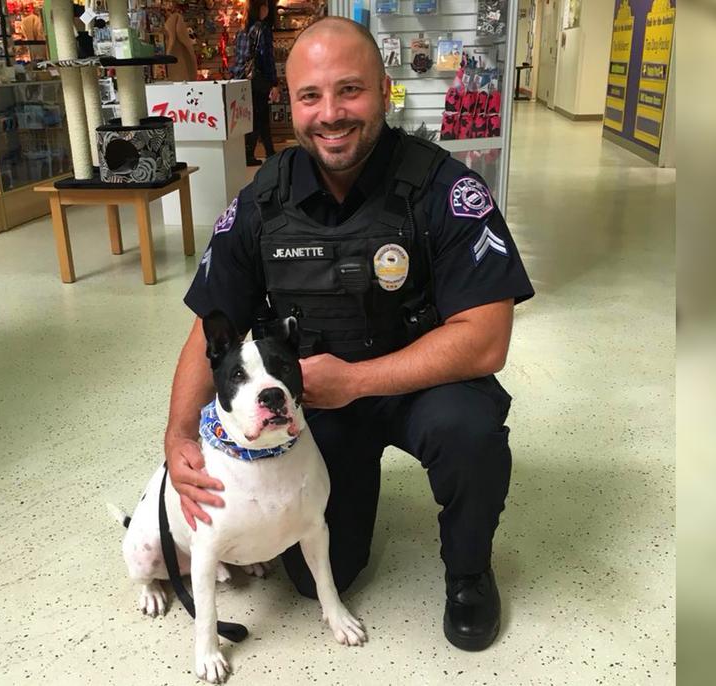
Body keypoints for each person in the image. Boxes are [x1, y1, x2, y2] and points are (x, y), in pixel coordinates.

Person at [164, 17, 534, 652]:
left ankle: (470, 571)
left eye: (350, 91)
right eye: (311, 96)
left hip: (422, 384)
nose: (330, 113)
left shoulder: (445, 188)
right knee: (316, 584)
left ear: (386, 91)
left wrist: (356, 380)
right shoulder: (263, 200)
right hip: (316, 406)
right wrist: (177, 436)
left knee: (469, 430)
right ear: (290, 103)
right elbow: (210, 323)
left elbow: (486, 338)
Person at [235, 0, 280, 166]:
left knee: (255, 117)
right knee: (261, 116)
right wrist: (274, 82)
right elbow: (267, 58)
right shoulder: (263, 29)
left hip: (244, 80)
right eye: (265, 6)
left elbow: (239, 58)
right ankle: (265, 153)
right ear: (260, 8)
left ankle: (263, 152)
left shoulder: (243, 29)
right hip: (259, 79)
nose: (267, 9)